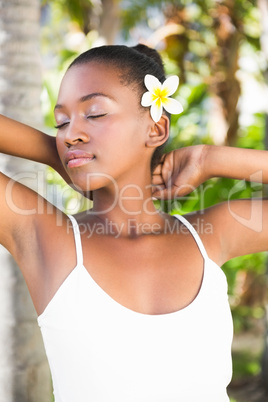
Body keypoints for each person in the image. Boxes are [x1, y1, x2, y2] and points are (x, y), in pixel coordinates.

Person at [0, 44, 267, 402]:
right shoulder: (48, 240)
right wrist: (56, 152)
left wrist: (210, 158)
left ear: (156, 129)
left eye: (94, 113)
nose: (71, 132)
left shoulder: (211, 236)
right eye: (62, 121)